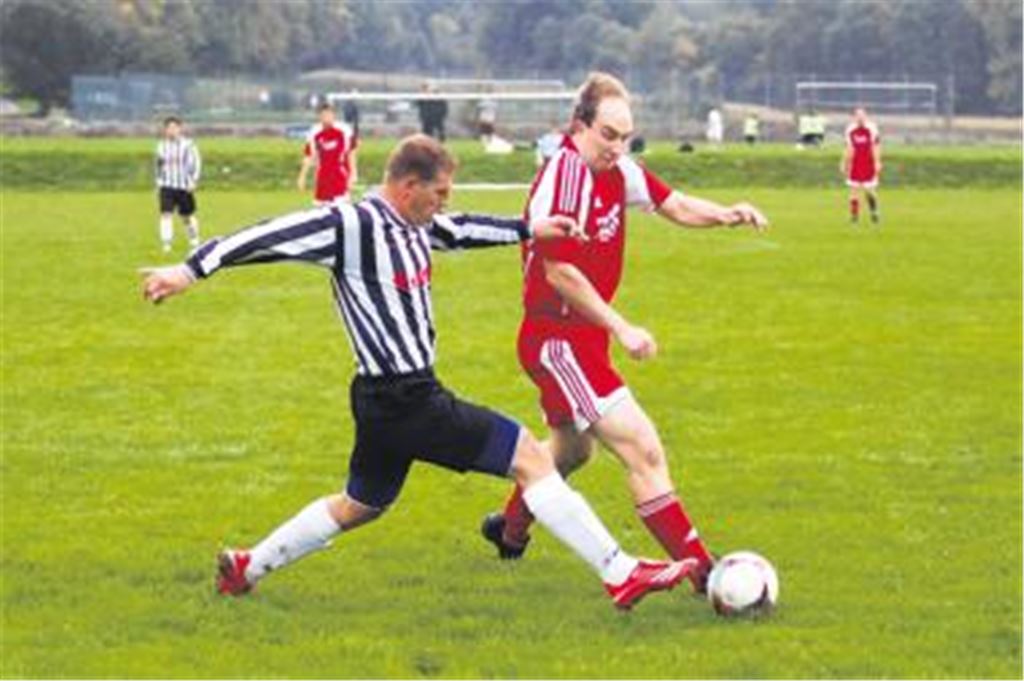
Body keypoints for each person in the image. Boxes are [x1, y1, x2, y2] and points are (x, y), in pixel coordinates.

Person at [141, 134, 697, 611]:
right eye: (439, 193)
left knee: (360, 504)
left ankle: (246, 567)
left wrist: (531, 226)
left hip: (382, 404)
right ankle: (619, 572)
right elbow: (265, 236)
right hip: (408, 399)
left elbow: (464, 230)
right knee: (531, 456)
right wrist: (189, 270)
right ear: (408, 186)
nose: (443, 204)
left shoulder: (417, 224)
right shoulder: (349, 223)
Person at [480, 72, 769, 594]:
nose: (618, 147)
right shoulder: (564, 178)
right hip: (557, 338)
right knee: (642, 447)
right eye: (608, 135)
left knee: (570, 454)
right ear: (579, 126)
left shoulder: (619, 172)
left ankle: (510, 531)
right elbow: (559, 273)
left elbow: (675, 205)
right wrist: (622, 327)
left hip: (580, 338)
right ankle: (710, 575)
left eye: (626, 136)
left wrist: (726, 214)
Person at [154, 116, 201, 253]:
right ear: (165, 130)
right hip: (167, 185)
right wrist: (158, 182)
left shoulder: (188, 145)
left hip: (184, 185)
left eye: (174, 127)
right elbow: (159, 165)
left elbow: (196, 163)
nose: (171, 130)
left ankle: (194, 240)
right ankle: (166, 244)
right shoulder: (161, 145)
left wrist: (194, 181)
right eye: (169, 128)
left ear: (180, 128)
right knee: (165, 214)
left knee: (186, 217)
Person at [297, 102, 358, 204]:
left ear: (334, 115)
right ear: (319, 116)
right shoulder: (314, 132)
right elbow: (309, 156)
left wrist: (354, 174)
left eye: (329, 114)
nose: (327, 117)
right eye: (323, 115)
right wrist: (302, 176)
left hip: (340, 177)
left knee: (340, 211)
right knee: (322, 212)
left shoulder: (344, 130)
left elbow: (351, 153)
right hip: (322, 179)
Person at [842, 107, 882, 224]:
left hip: (868, 162)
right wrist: (844, 163)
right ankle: (854, 217)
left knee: (869, 190)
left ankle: (874, 212)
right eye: (858, 115)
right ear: (854, 117)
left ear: (866, 116)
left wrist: (877, 162)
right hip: (855, 163)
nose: (860, 117)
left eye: (862, 115)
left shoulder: (872, 129)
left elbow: (876, 146)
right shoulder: (850, 130)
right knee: (854, 191)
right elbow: (849, 148)